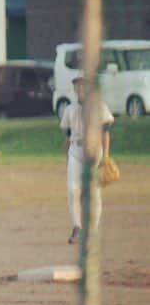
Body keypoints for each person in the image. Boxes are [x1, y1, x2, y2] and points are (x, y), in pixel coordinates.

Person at [60, 75, 114, 244]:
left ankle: (92, 231)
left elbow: (105, 134)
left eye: (83, 85)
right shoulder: (69, 110)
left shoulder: (99, 107)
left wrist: (105, 156)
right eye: (77, 86)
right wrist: (66, 156)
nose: (80, 89)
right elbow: (69, 136)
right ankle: (77, 227)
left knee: (93, 192)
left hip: (94, 152)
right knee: (72, 190)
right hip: (75, 151)